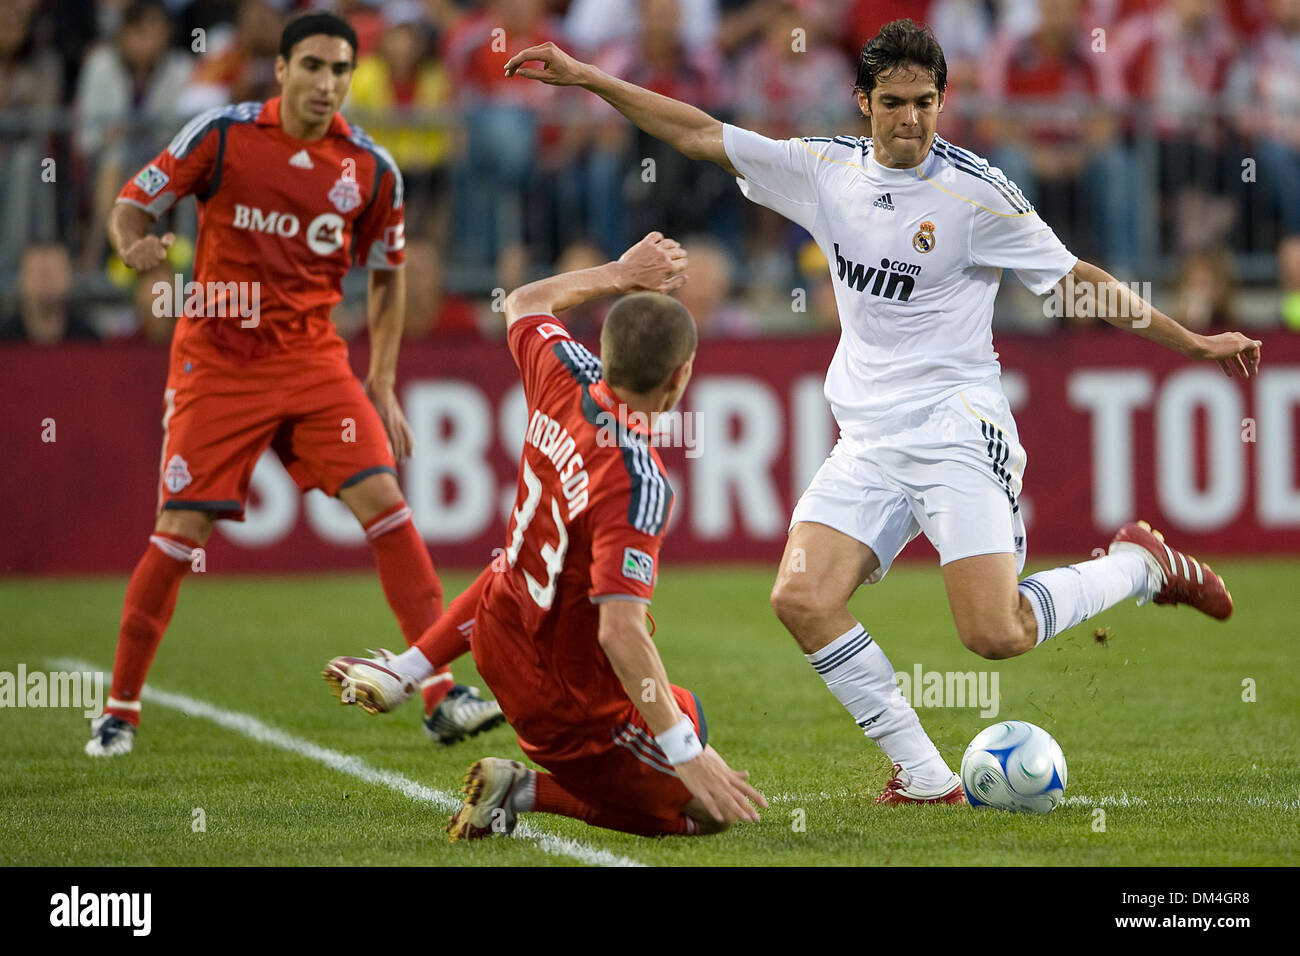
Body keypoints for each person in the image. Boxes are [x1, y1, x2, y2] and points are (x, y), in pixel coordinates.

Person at [501, 18, 1262, 804]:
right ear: (862, 102)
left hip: (956, 427)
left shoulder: (976, 194)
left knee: (993, 634)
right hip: (866, 436)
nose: (911, 119)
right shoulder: (824, 171)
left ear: (943, 101)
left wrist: (1193, 342)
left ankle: (1139, 566)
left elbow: (1079, 280)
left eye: (926, 103)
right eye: (894, 102)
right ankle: (927, 777)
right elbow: (697, 132)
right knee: (800, 598)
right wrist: (592, 78)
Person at [87, 12, 502, 758]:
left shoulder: (371, 168)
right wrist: (134, 248)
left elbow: (388, 273)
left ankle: (439, 694)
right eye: (312, 66)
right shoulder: (221, 134)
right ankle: (119, 709)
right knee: (181, 534)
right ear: (280, 70)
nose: (327, 83)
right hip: (215, 360)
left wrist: (380, 379)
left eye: (341, 70)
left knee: (385, 504)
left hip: (313, 362)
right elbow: (132, 200)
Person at [323, 232, 769, 837]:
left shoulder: (567, 374)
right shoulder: (637, 479)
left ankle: (407, 670)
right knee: (710, 806)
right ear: (680, 377)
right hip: (567, 708)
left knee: (519, 563)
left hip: (497, 641)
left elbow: (525, 303)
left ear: (604, 351)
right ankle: (529, 790)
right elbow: (619, 630)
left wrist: (617, 272)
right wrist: (684, 750)